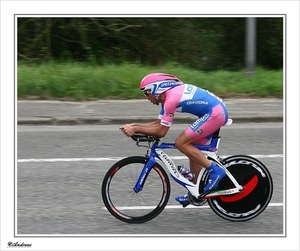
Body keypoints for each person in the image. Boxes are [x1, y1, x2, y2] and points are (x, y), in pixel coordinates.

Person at [120, 72, 228, 207]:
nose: (146, 97)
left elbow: (161, 131)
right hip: (214, 112)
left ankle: (216, 171)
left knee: (181, 143)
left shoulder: (171, 99)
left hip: (215, 113)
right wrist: (134, 126)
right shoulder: (167, 98)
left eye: (147, 93)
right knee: (192, 149)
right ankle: (197, 193)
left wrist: (135, 129)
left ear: (156, 88)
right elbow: (158, 123)